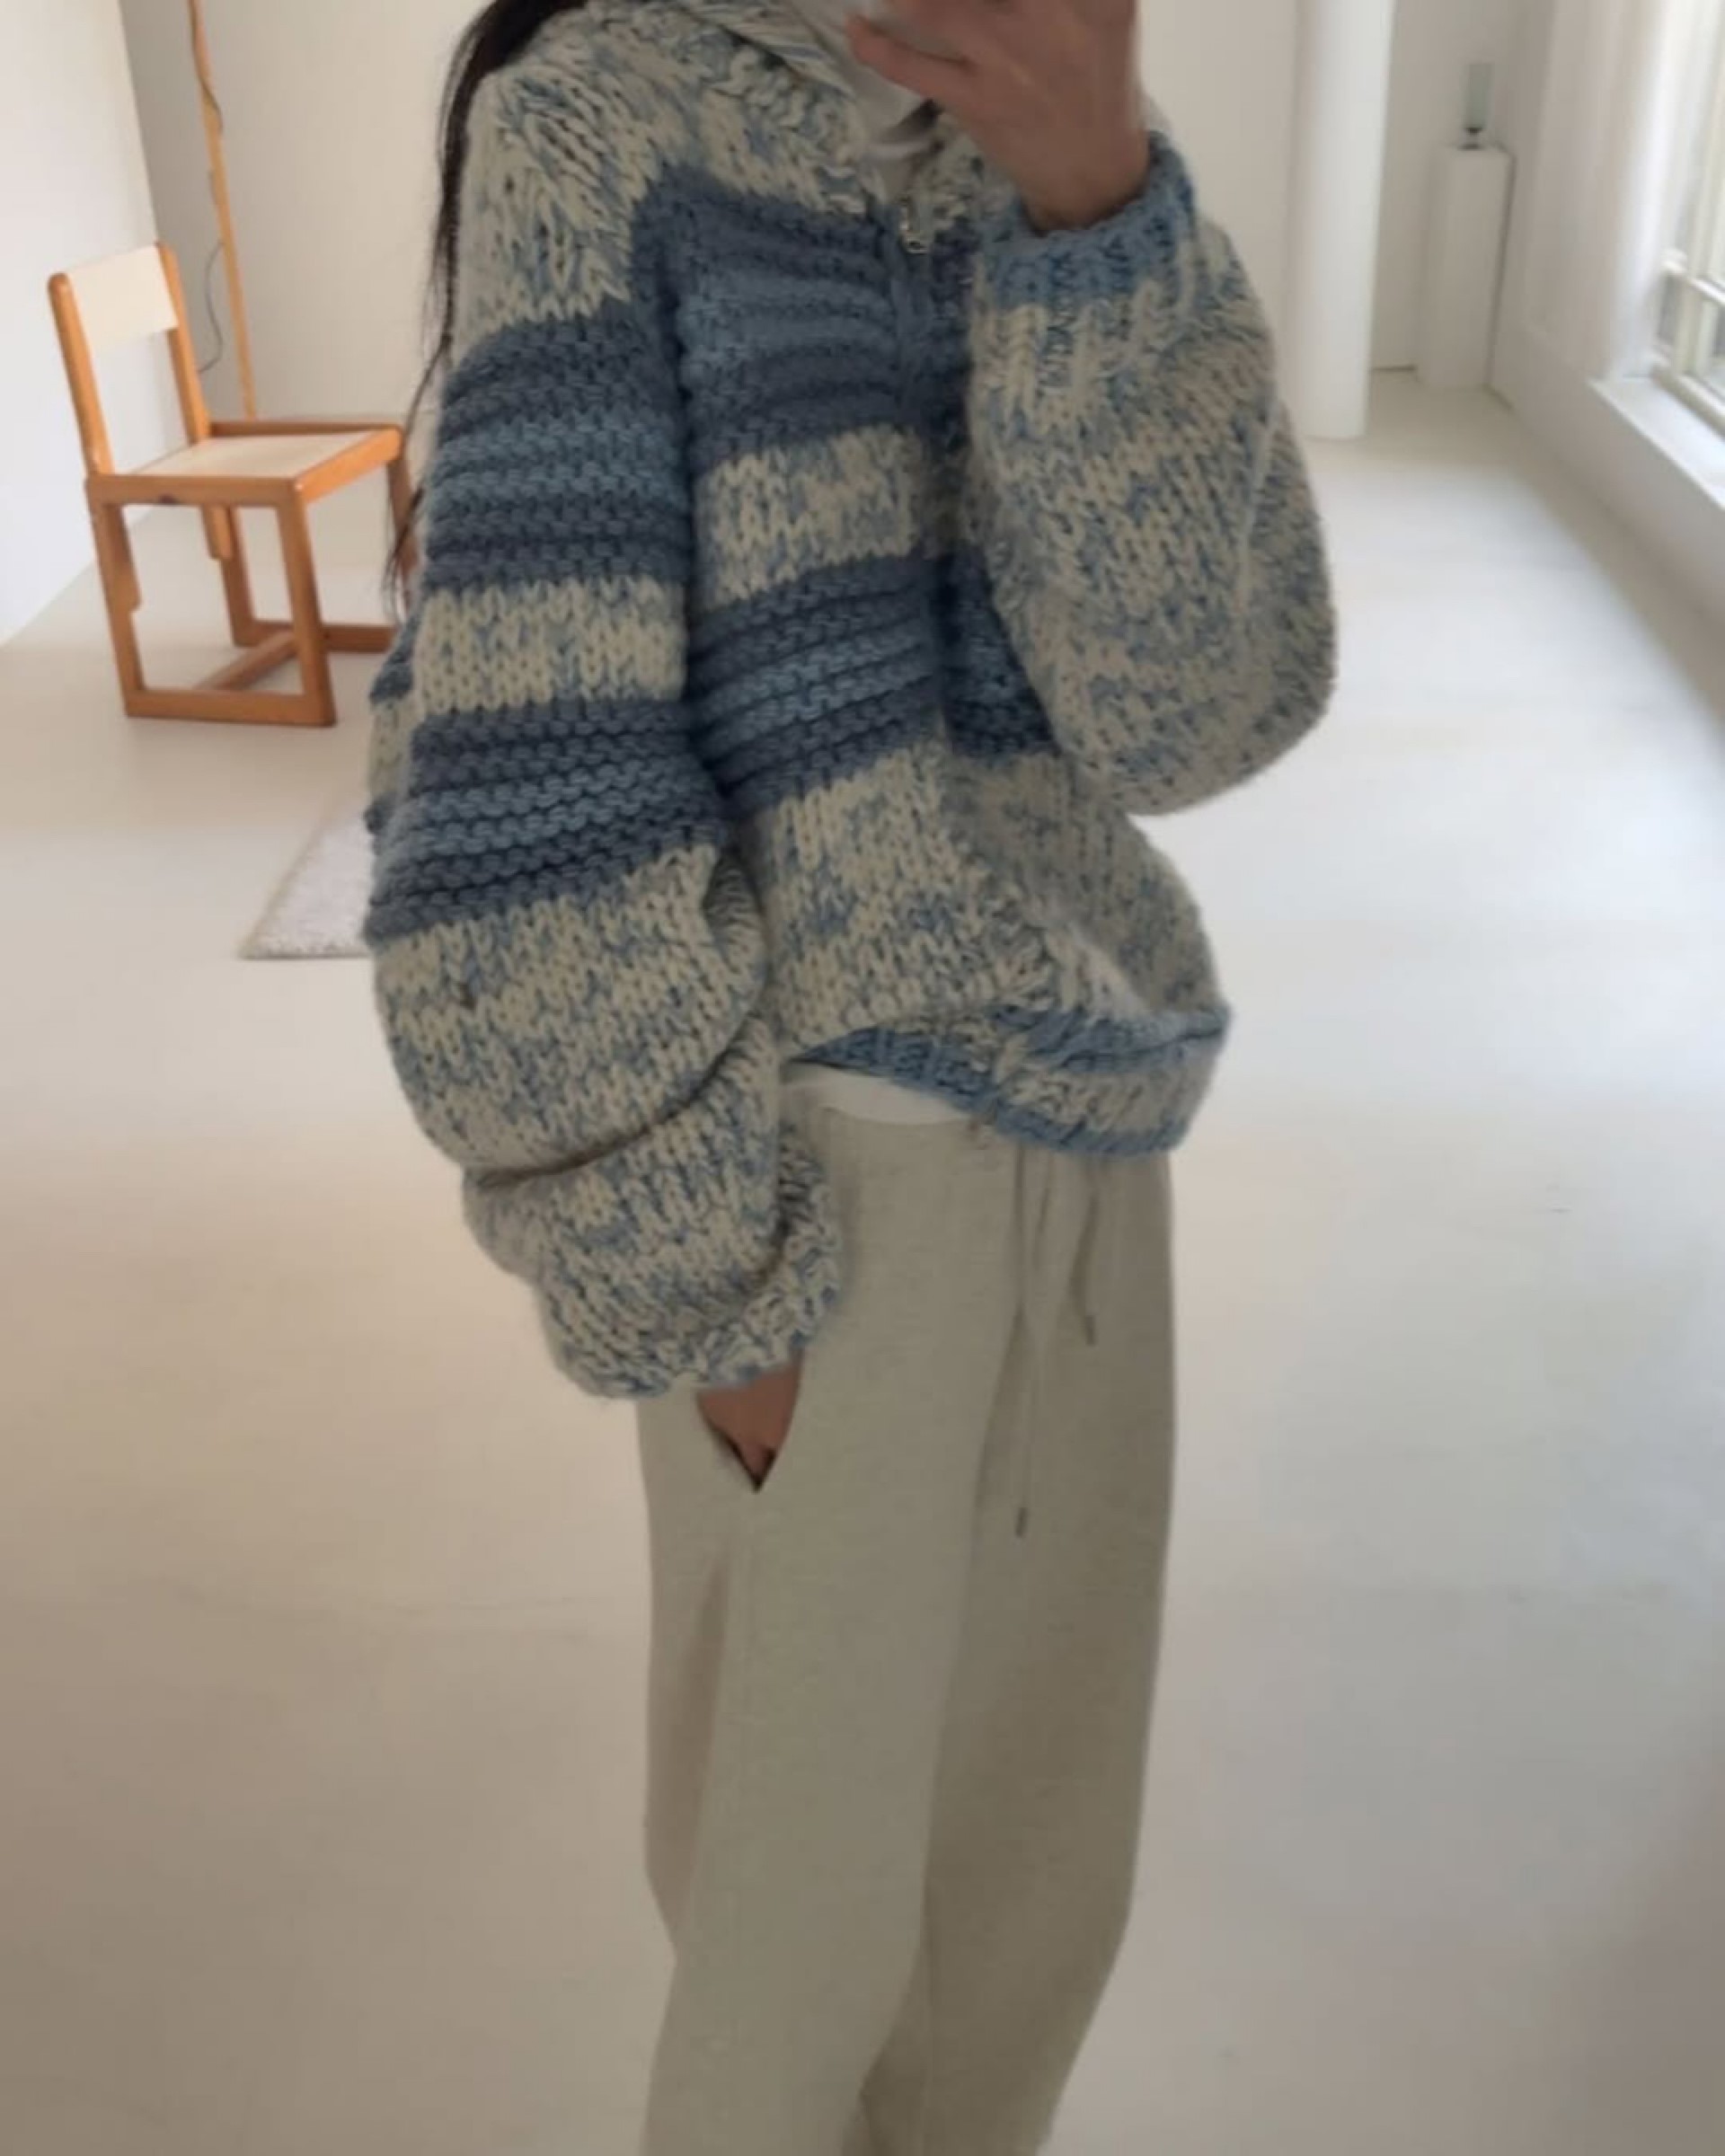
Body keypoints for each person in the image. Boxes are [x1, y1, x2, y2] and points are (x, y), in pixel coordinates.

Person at [365, 0, 1335, 2149]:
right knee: (791, 1971)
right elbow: (524, 782)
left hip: (1093, 1140)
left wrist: (1100, 212)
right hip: (821, 1203)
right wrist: (709, 1292)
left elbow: (1200, 712)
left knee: (1027, 1906)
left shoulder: (1055, 139)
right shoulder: (602, 126)